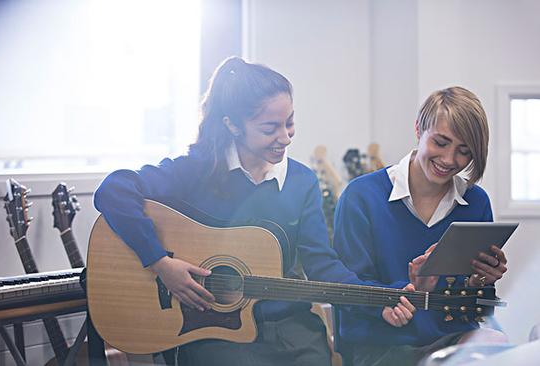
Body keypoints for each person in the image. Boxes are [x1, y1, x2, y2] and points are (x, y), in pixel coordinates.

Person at [93, 56, 370, 366]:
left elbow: (322, 264)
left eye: (290, 122)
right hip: (212, 331)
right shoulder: (197, 170)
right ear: (233, 125)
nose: (286, 137)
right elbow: (114, 190)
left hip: (292, 330)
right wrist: (160, 263)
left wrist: (379, 297)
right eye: (270, 128)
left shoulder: (301, 180)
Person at [333, 86, 509, 366]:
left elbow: (476, 306)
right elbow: (346, 287)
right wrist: (407, 290)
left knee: (499, 344)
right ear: (419, 129)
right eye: (440, 143)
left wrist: (480, 282)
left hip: (451, 340)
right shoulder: (361, 196)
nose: (450, 160)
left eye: (464, 152)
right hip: (381, 344)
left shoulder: (476, 202)